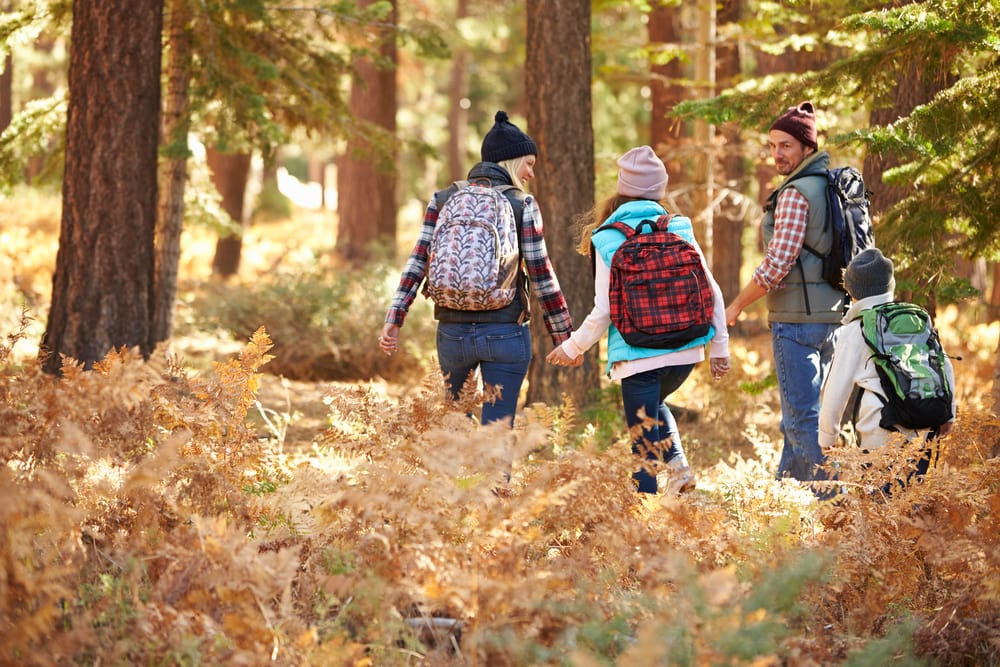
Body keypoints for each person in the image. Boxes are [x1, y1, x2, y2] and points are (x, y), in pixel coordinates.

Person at [546, 146, 730, 494]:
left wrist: (572, 347)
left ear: (622, 188)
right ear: (659, 190)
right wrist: (720, 348)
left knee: (643, 453)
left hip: (638, 356)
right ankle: (679, 472)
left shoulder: (607, 237)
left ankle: (642, 531)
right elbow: (713, 290)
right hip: (686, 352)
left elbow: (604, 310)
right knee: (655, 407)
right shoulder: (679, 227)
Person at [379, 110, 573, 427]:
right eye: (529, 164)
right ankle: (493, 479)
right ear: (511, 163)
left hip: (452, 334)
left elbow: (418, 261)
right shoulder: (522, 204)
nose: (531, 174)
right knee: (495, 435)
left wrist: (394, 317)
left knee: (454, 429)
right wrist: (563, 335)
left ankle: (453, 479)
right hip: (505, 332)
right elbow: (541, 274)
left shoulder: (443, 199)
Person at [724, 101, 846, 487]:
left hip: (797, 322)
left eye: (786, 146)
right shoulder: (830, 185)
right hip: (832, 318)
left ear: (807, 148)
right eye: (773, 145)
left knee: (800, 419)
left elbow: (778, 264)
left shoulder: (796, 194)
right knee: (803, 417)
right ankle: (784, 500)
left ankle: (833, 499)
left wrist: (737, 305)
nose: (777, 153)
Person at [818, 249, 955, 484]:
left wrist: (827, 437)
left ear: (851, 290)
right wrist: (948, 415)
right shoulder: (914, 320)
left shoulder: (855, 329)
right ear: (890, 286)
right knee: (913, 502)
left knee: (880, 501)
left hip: (880, 430)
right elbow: (944, 365)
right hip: (924, 426)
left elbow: (835, 389)